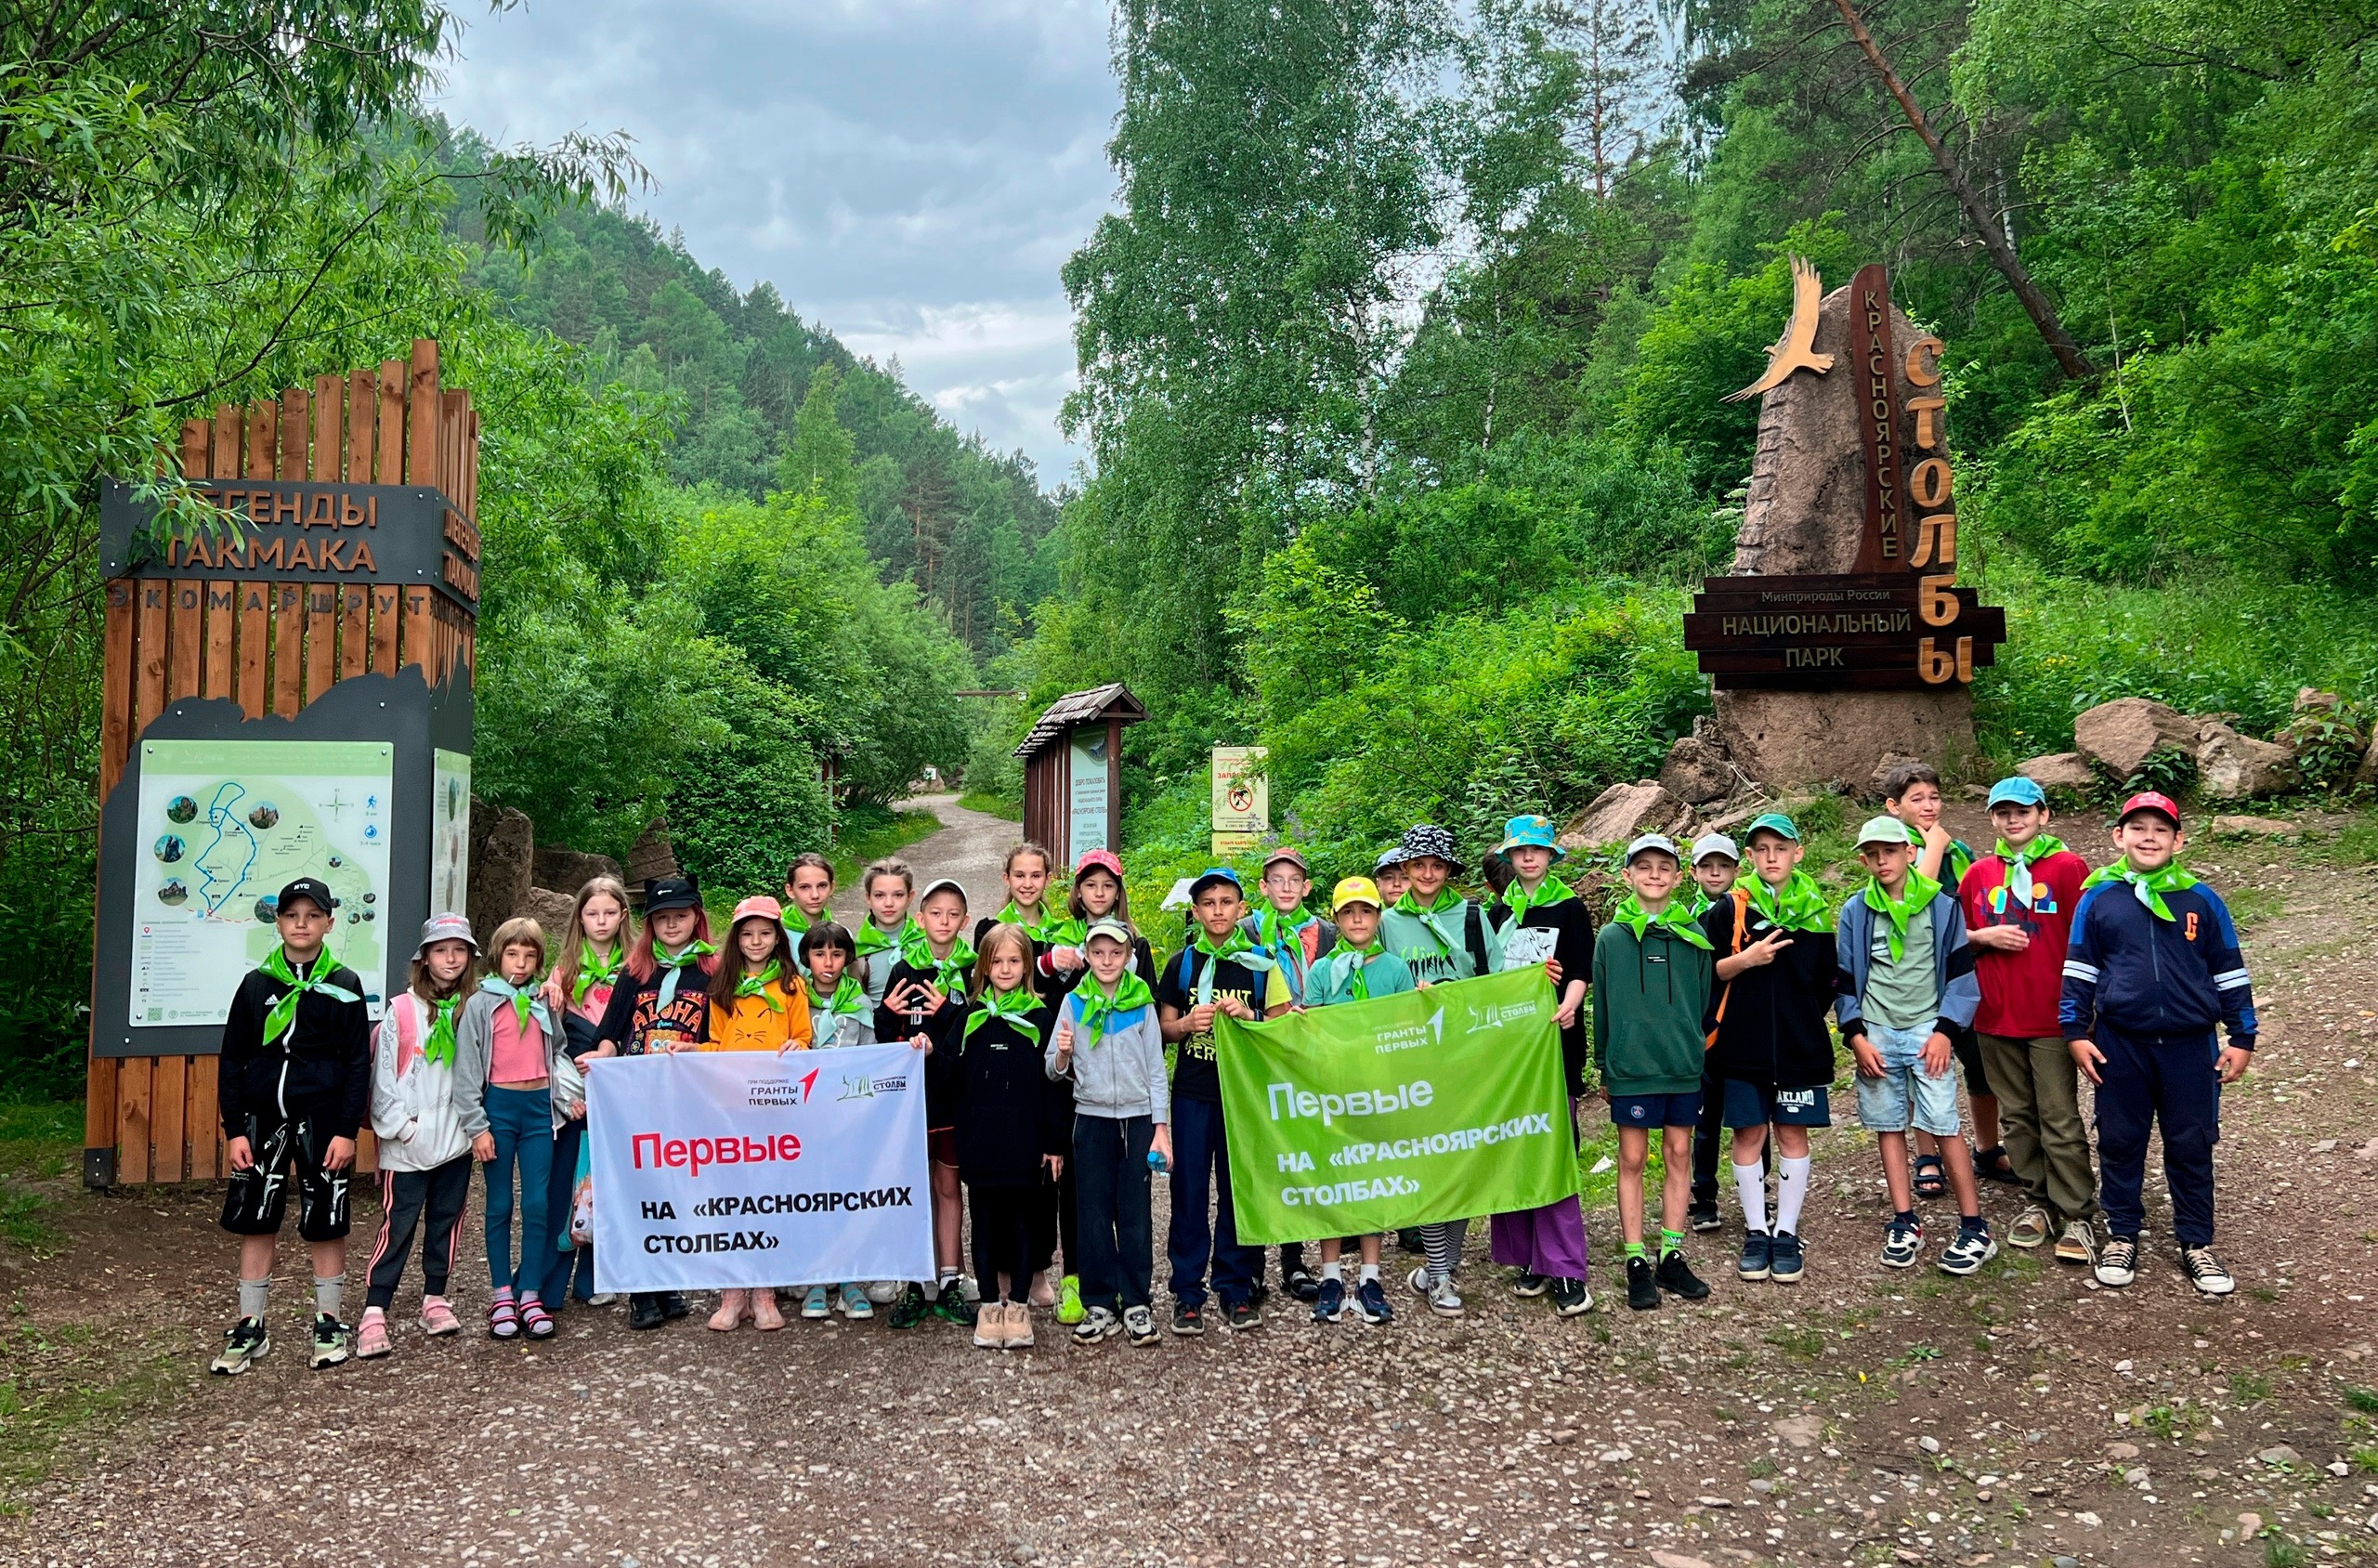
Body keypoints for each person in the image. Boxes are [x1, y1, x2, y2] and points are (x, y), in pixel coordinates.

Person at [2062, 791, 2257, 1296]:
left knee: (2191, 1143)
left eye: (2160, 829)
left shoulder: (2202, 899)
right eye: (2138, 828)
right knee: (2121, 1141)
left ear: (2178, 840)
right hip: (2120, 1042)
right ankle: (2122, 1234)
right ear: (2118, 836)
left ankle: (2197, 1243)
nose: (2149, 837)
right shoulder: (2098, 898)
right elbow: (2080, 969)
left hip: (2190, 1045)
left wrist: (2242, 1035)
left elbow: (2229, 970)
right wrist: (2073, 1032)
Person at [211, 876, 372, 1375]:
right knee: (255, 1217)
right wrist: (234, 1128)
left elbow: (356, 1064)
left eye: (311, 915)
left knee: (325, 1218)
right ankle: (250, 1326)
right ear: (278, 922)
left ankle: (328, 1321)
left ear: (328, 921)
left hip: (322, 1121)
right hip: (261, 1120)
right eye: (291, 915)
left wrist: (347, 1130)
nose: (301, 924)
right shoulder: (257, 984)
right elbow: (233, 1058)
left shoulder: (344, 985)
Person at [1836, 816, 1993, 1275]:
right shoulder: (1856, 910)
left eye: (1890, 850)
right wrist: (1855, 1035)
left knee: (1944, 1123)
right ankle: (1905, 1220)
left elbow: (1963, 975)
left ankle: (1974, 1226)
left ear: (1910, 852)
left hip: (1928, 1030)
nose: (1881, 860)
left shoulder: (1942, 906)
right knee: (1889, 1125)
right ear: (1863, 860)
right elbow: (1844, 978)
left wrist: (1946, 1030)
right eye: (1872, 854)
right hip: (1878, 1032)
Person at [1961, 777, 2098, 1264]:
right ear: (1993, 818)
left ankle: (2077, 1212)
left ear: (2043, 814)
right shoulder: (1978, 874)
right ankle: (2038, 1200)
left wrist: (2084, 1011)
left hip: (2052, 1016)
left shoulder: (2068, 867)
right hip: (1994, 1016)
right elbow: (1956, 941)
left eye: (2022, 810)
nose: (2012, 819)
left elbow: (2090, 939)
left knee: (2058, 1116)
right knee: (2017, 1117)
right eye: (2002, 812)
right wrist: (1985, 936)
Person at [1701, 814, 1837, 1287]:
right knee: (1748, 1135)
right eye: (1760, 849)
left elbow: (1826, 983)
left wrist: (1799, 1020)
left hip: (1799, 1049)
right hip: (1740, 1049)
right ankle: (1756, 1231)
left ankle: (1786, 1231)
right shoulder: (1728, 910)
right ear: (1750, 859)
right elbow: (1706, 972)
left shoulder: (1817, 912)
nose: (1771, 856)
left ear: (1798, 852)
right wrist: (1748, 959)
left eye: (1780, 847)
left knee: (1794, 1136)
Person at [1157, 867, 1291, 1334]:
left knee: (1238, 1190)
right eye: (1208, 903)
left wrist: (1250, 1014)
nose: (1218, 911)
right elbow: (1163, 1029)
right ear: (1195, 911)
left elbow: (1281, 1026)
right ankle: (1188, 1292)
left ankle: (1237, 1288)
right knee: (1189, 1191)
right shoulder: (1182, 964)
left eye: (1226, 902)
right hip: (1193, 1093)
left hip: (1243, 1095)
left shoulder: (1262, 962)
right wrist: (1186, 1025)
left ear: (1242, 908)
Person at [1475, 816, 1596, 1316]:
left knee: (1552, 1148)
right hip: (1508, 1046)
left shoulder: (1570, 907)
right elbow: (1485, 977)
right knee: (1517, 1146)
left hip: (1555, 1040)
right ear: (1508, 858)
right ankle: (1529, 1257)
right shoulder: (1494, 913)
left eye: (1537, 850)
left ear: (1550, 857)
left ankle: (1565, 1268)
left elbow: (1580, 970)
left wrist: (1569, 1003)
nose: (1528, 858)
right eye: (1519, 851)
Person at [1382, 823, 1503, 1313]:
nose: (1428, 874)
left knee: (1461, 1163)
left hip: (1466, 1057)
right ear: (1406, 870)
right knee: (1431, 1165)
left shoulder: (1472, 917)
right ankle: (1439, 1274)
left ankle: (1439, 1268)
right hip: (1413, 1060)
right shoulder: (1388, 923)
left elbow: (1497, 981)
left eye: (1437, 866)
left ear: (1449, 870)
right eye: (1418, 866)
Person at [1592, 835, 1717, 1312]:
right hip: (1631, 1066)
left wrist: (1691, 1045)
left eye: (1664, 867)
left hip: (1682, 1064)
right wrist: (1606, 1063)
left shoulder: (1694, 937)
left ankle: (1671, 1251)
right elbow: (1601, 1004)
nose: (1654, 875)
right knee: (1632, 1157)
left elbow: (1703, 1001)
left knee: (1680, 1151)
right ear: (1627, 876)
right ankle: (1635, 1259)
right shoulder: (1611, 938)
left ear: (1678, 877)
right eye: (1643, 867)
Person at [597, 875, 718, 1330]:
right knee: (641, 1189)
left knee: (676, 1190)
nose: (672, 925)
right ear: (650, 924)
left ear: (696, 919)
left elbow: (719, 1035)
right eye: (663, 918)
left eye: (680, 916)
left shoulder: (712, 971)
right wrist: (600, 1055)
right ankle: (640, 1289)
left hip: (688, 1098)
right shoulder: (636, 970)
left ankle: (668, 1281)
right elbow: (610, 1030)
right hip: (638, 1098)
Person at [357, 914, 477, 1360]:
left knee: (448, 1218)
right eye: (441, 950)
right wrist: (404, 1130)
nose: (450, 958)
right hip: (407, 1143)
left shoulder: (474, 1007)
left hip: (456, 1139)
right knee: (399, 1223)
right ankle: (376, 1304)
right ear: (424, 958)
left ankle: (435, 1294)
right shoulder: (402, 1011)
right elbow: (384, 1079)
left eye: (459, 950)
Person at [1290, 877, 1409, 1326]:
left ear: (1378, 917)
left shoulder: (1396, 969)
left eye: (1366, 912)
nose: (1357, 920)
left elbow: (1404, 1029)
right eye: (1348, 913)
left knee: (1372, 1178)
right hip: (1334, 1091)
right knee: (1336, 1178)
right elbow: (1314, 1032)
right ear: (1336, 921)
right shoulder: (1321, 971)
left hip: (1379, 1090)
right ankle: (1332, 1277)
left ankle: (1371, 1277)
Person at [1881, 762, 2005, 1192]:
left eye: (1934, 797)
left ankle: (1988, 1148)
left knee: (1979, 1062)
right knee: (1924, 1066)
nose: (1929, 806)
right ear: (1895, 807)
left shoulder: (1960, 851)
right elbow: (1914, 905)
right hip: (1915, 979)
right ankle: (1928, 1155)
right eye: (1917, 799)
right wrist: (1933, 843)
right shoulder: (1893, 850)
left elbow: (1977, 902)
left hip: (1961, 972)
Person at [1047, 918, 1170, 1347]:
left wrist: (1161, 1128)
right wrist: (1062, 1056)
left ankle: (1136, 1301)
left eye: (1115, 953)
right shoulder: (1073, 1003)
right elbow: (1053, 1068)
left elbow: (1157, 1069)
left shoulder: (1141, 1003)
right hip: (1092, 1118)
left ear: (1128, 956)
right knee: (1093, 1214)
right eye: (1097, 953)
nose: (1106, 961)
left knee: (1134, 1213)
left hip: (1137, 1121)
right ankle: (1099, 1302)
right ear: (1087, 955)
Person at [703, 895, 813, 1331]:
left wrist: (797, 1046)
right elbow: (714, 1042)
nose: (756, 941)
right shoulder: (722, 987)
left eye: (765, 933)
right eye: (747, 933)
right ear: (735, 938)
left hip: (774, 1106)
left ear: (778, 937)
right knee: (731, 1198)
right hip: (730, 1106)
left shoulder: (791, 986)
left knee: (768, 1196)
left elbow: (804, 1037)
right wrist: (692, 1054)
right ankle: (733, 1295)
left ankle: (765, 1292)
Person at [956, 924, 1065, 1350]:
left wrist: (1054, 1141)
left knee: (1025, 1224)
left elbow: (1055, 1084)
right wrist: (922, 1050)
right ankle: (989, 1306)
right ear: (984, 966)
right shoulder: (968, 1019)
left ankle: (1018, 1306)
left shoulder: (1041, 1018)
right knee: (982, 1224)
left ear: (1027, 967)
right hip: (981, 1143)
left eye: (1014, 961)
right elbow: (950, 1077)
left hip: (1026, 1142)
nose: (1005, 968)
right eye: (996, 961)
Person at [874, 877, 976, 1328]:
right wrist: (886, 1016)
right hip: (911, 1102)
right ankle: (915, 1280)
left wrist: (948, 1013)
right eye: (936, 913)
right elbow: (884, 1033)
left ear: (965, 921)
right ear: (921, 918)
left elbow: (977, 1031)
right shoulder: (904, 970)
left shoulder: (976, 969)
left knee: (949, 1188)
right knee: (914, 1189)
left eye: (953, 914)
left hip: (954, 1097)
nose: (944, 921)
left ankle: (951, 1279)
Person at [454, 917, 562, 1341]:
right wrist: (477, 1127)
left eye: (529, 955)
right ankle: (502, 1293)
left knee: (537, 1203)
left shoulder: (544, 1001)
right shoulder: (481, 1004)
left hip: (538, 1111)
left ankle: (530, 1291)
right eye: (512, 954)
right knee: (499, 1204)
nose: (520, 962)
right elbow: (465, 1073)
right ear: (498, 957)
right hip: (499, 1109)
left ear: (538, 960)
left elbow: (558, 1052)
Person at [1240, 846, 1336, 1301]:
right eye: (1276, 880)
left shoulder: (1328, 934)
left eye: (1293, 880)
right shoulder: (1245, 931)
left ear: (1307, 886)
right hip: (1258, 1054)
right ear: (1263, 887)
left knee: (1299, 1154)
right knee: (1260, 1155)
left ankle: (1294, 1261)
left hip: (1311, 1056)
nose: (1285, 887)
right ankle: (1253, 1261)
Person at [541, 876, 632, 1310]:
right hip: (573, 1085)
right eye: (593, 913)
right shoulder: (564, 972)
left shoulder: (636, 967)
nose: (601, 921)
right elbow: (550, 1038)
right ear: (579, 917)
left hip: (616, 1083)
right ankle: (551, 1278)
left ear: (623, 916)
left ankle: (596, 1275)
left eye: (610, 913)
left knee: (606, 1181)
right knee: (565, 1180)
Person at [1684, 833, 1742, 1233]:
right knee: (1704, 1121)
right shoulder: (1683, 919)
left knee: (1749, 1116)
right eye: (1707, 866)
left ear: (1737, 871)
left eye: (1723, 866)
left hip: (1740, 1030)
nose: (1715, 872)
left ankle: (1760, 1189)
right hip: (1700, 1033)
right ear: (1694, 872)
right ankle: (1704, 1195)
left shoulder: (1747, 913)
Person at [856, 857, 922, 1013]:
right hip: (875, 1032)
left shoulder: (926, 942)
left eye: (898, 895)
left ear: (910, 897)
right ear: (868, 898)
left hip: (921, 1032)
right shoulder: (857, 950)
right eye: (879, 895)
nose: (888, 903)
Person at [799, 921, 875, 1047]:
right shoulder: (797, 1000)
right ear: (807, 956)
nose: (828, 963)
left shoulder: (861, 1003)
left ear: (847, 957)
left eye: (837, 955)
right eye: (819, 954)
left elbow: (869, 1055)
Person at [781, 852, 838, 973]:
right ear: (790, 890)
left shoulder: (840, 934)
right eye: (804, 887)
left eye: (822, 886)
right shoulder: (776, 934)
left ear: (832, 887)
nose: (815, 895)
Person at [1372, 845, 1413, 910]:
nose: (1397, 884)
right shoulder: (1369, 917)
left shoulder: (1430, 917)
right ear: (1378, 884)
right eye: (1389, 878)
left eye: (1405, 878)